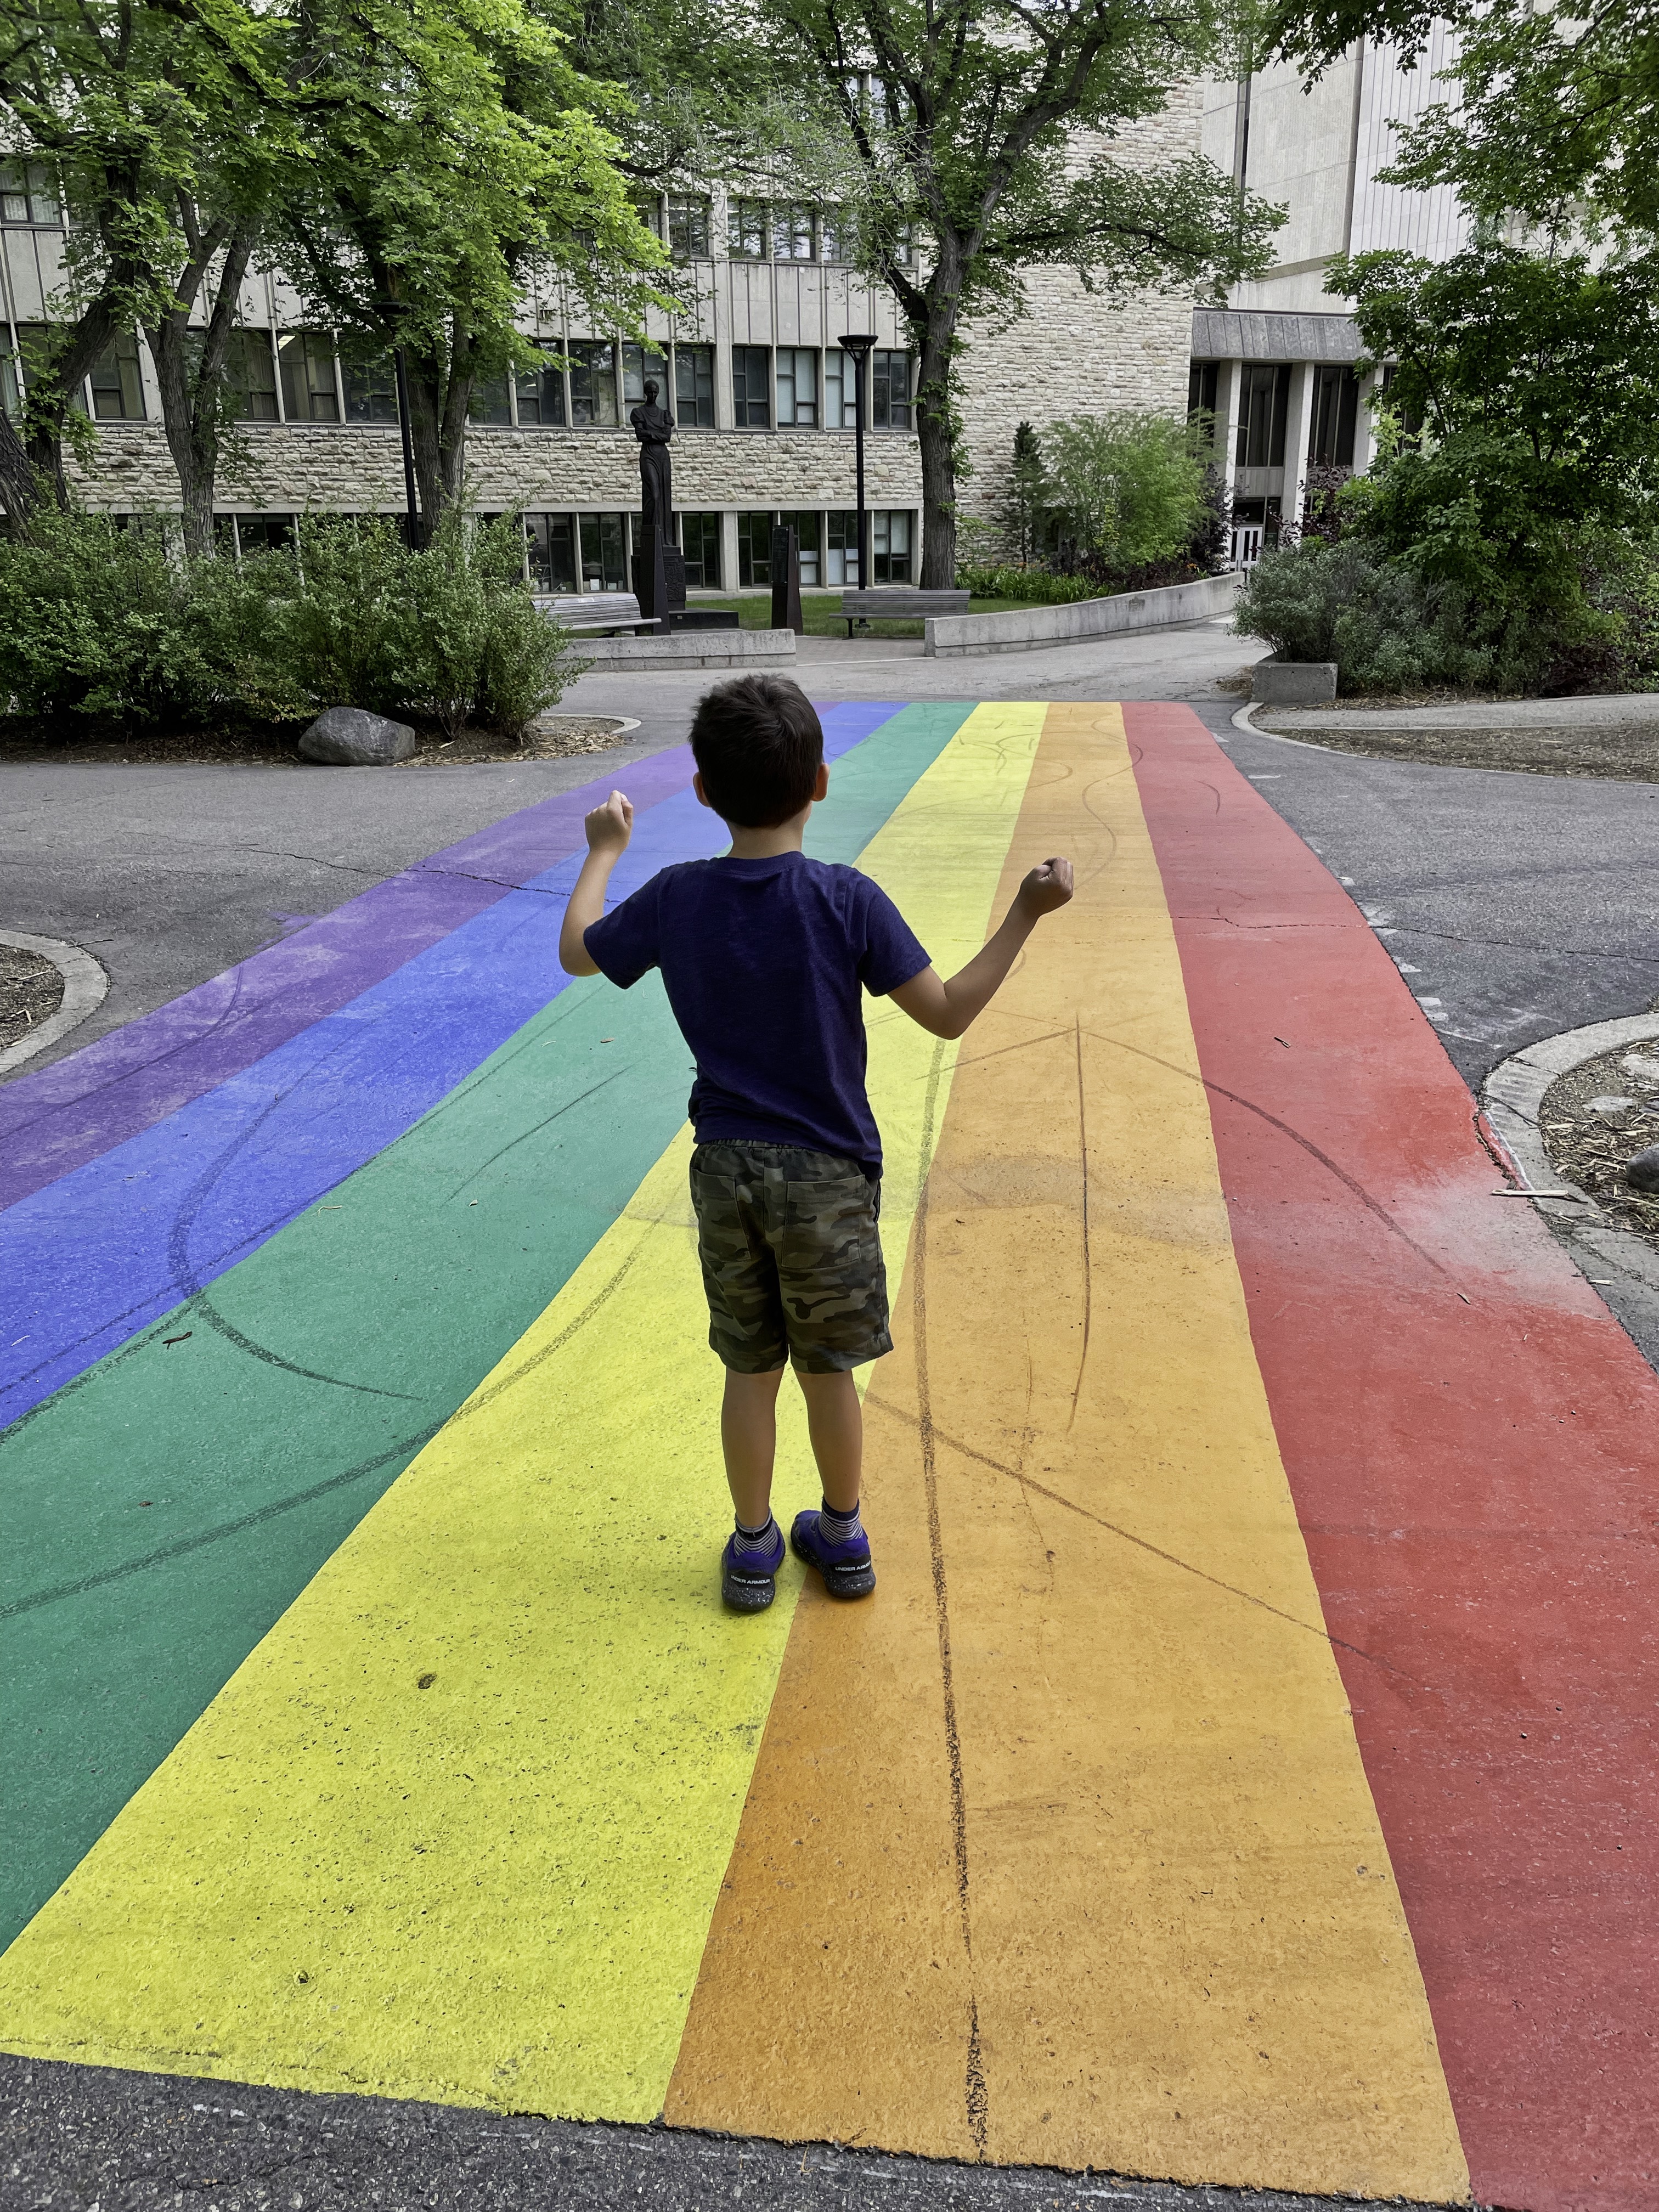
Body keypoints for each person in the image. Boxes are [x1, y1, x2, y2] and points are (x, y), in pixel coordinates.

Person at [558, 676, 1073, 1613]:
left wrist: (604, 850)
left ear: (704, 791)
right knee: (828, 1371)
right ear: (821, 784)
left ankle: (753, 1549)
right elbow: (949, 1013)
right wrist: (1025, 915)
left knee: (749, 1368)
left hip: (726, 1170)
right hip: (829, 1179)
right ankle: (842, 1538)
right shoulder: (846, 900)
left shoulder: (677, 897)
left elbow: (580, 950)